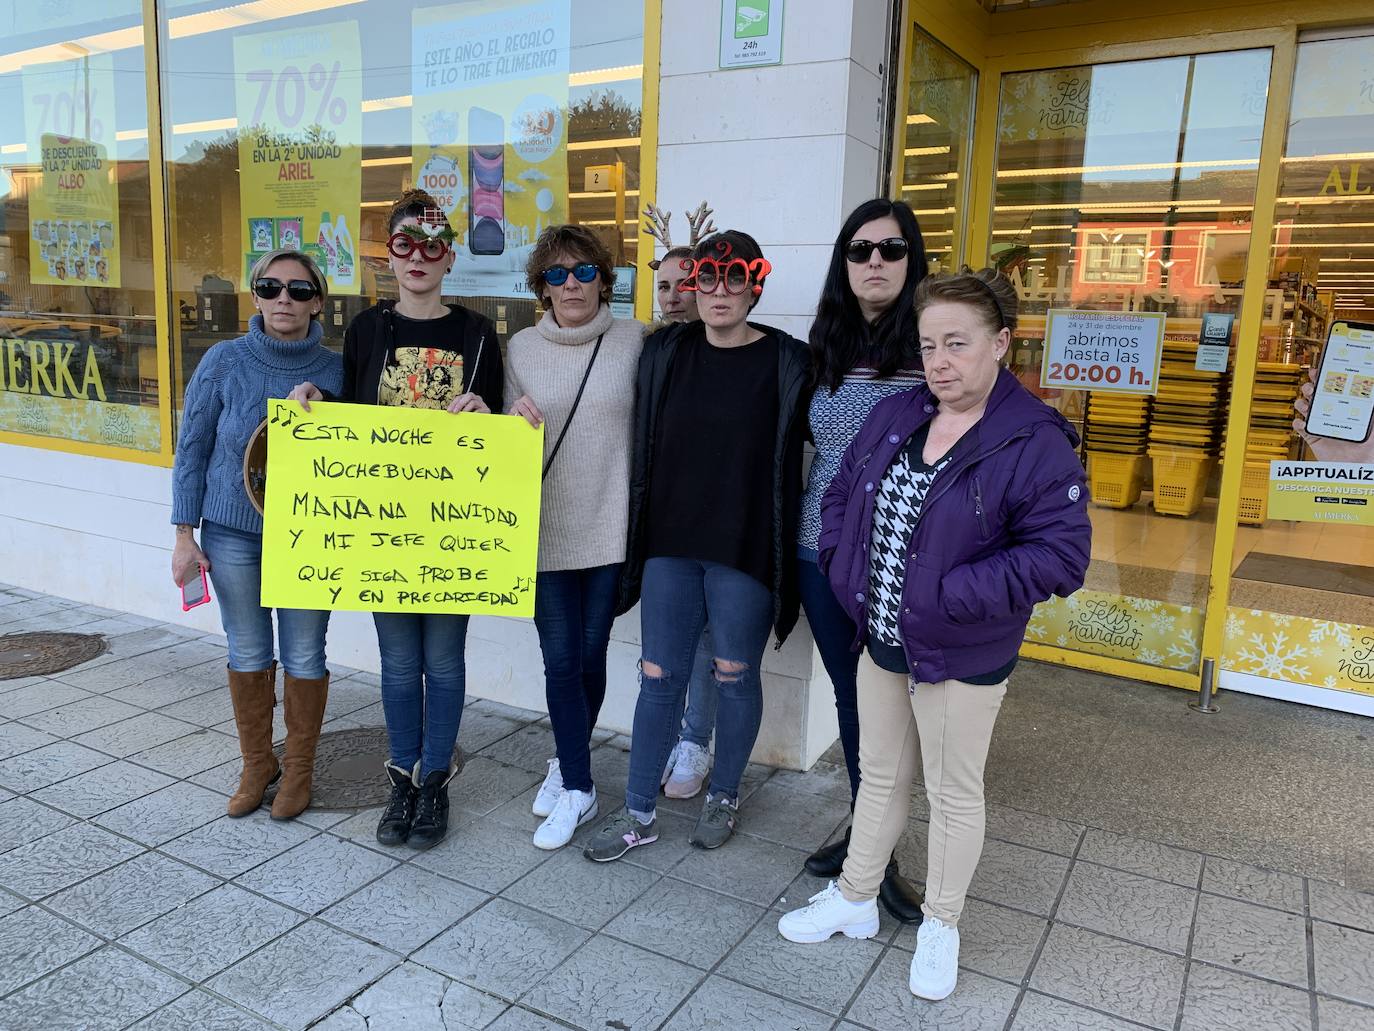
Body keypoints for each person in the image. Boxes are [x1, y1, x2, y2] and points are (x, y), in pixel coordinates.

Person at [777, 269, 1091, 1003]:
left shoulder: (1034, 438)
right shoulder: (898, 412)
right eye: (929, 345)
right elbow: (842, 489)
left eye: (958, 343)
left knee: (953, 791)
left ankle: (941, 923)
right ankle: (855, 897)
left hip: (962, 648)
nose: (941, 361)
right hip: (882, 634)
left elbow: (1060, 554)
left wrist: (951, 595)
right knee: (880, 774)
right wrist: (842, 564)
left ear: (1000, 345)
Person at [583, 230, 809, 860]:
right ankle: (636, 812)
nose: (719, 290)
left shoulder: (790, 360)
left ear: (755, 283)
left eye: (734, 276)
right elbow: (588, 359)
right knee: (658, 675)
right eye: (706, 275)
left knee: (734, 674)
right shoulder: (666, 352)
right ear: (692, 284)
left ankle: (724, 794)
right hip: (670, 544)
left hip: (745, 545)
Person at [288, 190, 503, 850]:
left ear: (449, 256)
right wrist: (314, 401)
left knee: (443, 659)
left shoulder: (476, 332)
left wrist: (490, 414)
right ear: (389, 253)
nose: (418, 258)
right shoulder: (367, 330)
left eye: (431, 246)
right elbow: (352, 414)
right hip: (383, 528)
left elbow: (496, 436)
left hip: (451, 525)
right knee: (397, 661)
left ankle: (434, 780)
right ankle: (400, 780)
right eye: (405, 245)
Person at [171, 248, 341, 821]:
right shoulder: (224, 360)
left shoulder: (338, 368)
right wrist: (183, 534)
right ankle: (256, 764)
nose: (282, 300)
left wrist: (329, 404)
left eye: (297, 290)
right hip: (232, 533)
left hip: (309, 538)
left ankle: (297, 771)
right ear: (255, 296)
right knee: (247, 647)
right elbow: (191, 449)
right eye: (269, 288)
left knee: (304, 652)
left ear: (318, 301)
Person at [799, 199, 929, 923]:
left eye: (890, 248)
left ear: (912, 259)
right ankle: (864, 835)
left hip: (899, 560)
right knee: (854, 701)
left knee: (893, 710)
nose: (874, 262)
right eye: (859, 250)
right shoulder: (824, 344)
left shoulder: (933, 344)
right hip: (819, 549)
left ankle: (879, 855)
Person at [504, 224, 644, 850]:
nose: (571, 285)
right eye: (557, 274)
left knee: (589, 656)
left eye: (584, 271)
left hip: (607, 525)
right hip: (542, 528)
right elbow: (506, 446)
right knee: (560, 660)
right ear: (541, 285)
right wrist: (509, 422)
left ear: (604, 280)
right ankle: (581, 786)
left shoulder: (635, 340)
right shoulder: (520, 349)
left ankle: (567, 761)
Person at [646, 233, 715, 800]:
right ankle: (668, 737)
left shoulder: (732, 351)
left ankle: (696, 740)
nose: (673, 296)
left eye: (685, 284)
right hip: (661, 520)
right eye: (663, 285)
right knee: (665, 647)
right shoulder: (646, 349)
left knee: (707, 645)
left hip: (716, 525)